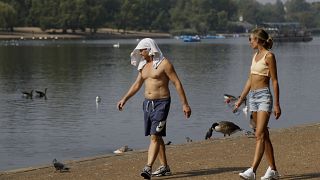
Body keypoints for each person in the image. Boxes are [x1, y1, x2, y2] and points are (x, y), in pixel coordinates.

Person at [117, 38, 191, 179]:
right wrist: (124, 99)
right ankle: (164, 167)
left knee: (155, 136)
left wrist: (185, 104)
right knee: (156, 135)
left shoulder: (165, 64)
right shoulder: (144, 66)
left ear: (149, 49)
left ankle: (148, 167)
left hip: (162, 104)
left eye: (142, 50)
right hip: (147, 104)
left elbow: (177, 83)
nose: (140, 53)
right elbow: (137, 85)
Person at [234, 28, 281, 180]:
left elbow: (274, 80)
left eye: (251, 40)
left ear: (259, 40)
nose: (249, 42)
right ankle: (273, 170)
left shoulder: (269, 56)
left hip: (264, 97)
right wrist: (241, 99)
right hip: (253, 98)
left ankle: (252, 171)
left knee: (259, 134)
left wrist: (277, 105)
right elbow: (250, 79)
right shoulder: (254, 56)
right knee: (263, 134)